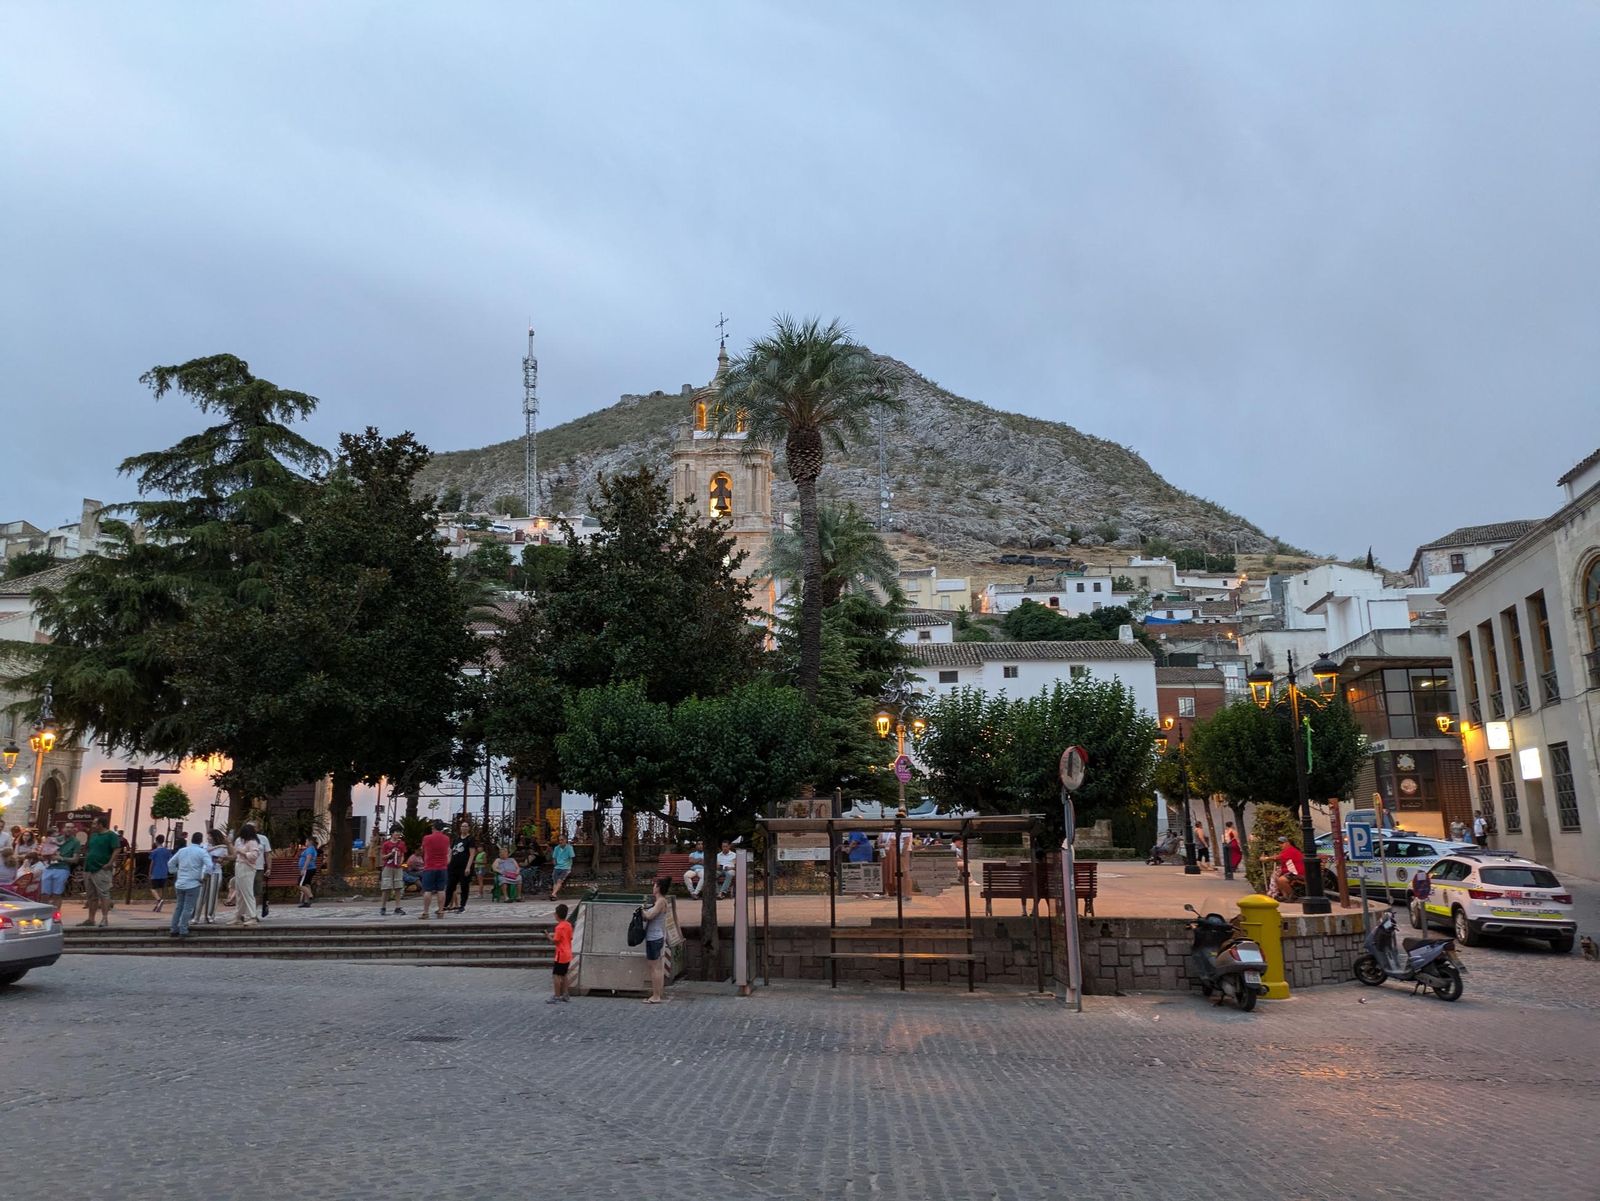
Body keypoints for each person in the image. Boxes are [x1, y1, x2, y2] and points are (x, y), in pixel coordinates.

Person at [167, 832, 212, 939]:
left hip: (180, 883)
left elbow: (170, 863)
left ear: (191, 839)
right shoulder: (202, 852)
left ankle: (173, 929)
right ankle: (183, 929)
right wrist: (205, 877)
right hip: (193, 883)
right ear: (201, 840)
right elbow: (209, 865)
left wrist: (176, 872)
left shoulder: (182, 851)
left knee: (179, 906)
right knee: (188, 907)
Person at [82, 818, 121, 927]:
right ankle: (91, 918)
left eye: (95, 823)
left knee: (103, 893)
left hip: (101, 868)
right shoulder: (93, 836)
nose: (93, 825)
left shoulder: (111, 835)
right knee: (91, 895)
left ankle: (104, 918)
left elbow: (117, 849)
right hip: (89, 868)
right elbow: (89, 850)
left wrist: (110, 863)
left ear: (100, 824)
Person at [639, 876, 671, 1004]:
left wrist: (642, 911)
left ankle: (656, 995)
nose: (653, 888)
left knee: (655, 968)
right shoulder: (660, 901)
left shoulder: (661, 902)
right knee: (656, 967)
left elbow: (650, 916)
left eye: (654, 885)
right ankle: (657, 994)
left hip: (654, 937)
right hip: (655, 936)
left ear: (658, 888)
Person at [40, 822, 81, 905]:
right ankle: (44, 914)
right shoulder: (56, 839)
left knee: (57, 894)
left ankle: (56, 915)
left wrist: (61, 858)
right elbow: (44, 853)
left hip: (62, 868)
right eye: (67, 827)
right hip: (49, 867)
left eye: (71, 828)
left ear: (74, 830)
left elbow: (75, 859)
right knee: (44, 893)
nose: (69, 829)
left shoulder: (76, 842)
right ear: (63, 829)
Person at [231, 823, 263, 925]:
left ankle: (252, 916)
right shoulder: (244, 842)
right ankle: (238, 916)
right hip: (240, 866)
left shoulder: (252, 842)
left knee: (247, 892)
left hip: (247, 868)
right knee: (240, 893)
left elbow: (254, 855)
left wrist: (242, 852)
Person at [418, 820, 450, 920]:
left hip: (430, 866)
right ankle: (440, 911)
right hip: (442, 867)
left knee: (428, 890)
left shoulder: (427, 838)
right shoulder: (446, 839)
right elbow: (448, 851)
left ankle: (426, 912)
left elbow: (423, 850)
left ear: (434, 828)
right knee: (441, 890)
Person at [444, 819, 474, 913]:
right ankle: (444, 905)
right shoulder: (456, 839)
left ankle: (462, 905)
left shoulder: (470, 839)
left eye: (466, 826)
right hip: (453, 866)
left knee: (464, 886)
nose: (464, 828)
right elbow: (451, 851)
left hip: (464, 866)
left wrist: (468, 867)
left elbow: (472, 854)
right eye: (462, 826)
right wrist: (448, 861)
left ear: (469, 828)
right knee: (450, 886)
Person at [547, 902, 573, 1004]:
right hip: (568, 952)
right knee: (564, 974)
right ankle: (565, 994)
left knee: (556, 975)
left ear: (557, 915)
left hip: (560, 954)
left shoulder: (559, 927)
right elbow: (570, 937)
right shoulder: (568, 925)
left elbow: (555, 941)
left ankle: (557, 995)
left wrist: (548, 936)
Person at [378, 824, 407, 916]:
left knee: (398, 887)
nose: (398, 834)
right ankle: (383, 907)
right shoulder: (386, 844)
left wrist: (401, 862)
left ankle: (398, 907)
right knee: (386, 887)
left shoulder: (401, 843)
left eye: (399, 832)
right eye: (396, 832)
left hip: (397, 867)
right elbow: (383, 857)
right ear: (392, 833)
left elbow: (402, 854)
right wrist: (390, 854)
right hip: (388, 866)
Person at [200, 829, 228, 923]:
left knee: (212, 895)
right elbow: (204, 852)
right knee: (200, 894)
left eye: (210, 836)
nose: (208, 838)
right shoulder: (205, 845)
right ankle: (194, 916)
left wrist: (218, 859)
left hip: (215, 872)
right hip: (204, 871)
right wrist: (219, 846)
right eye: (208, 836)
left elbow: (223, 860)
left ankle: (209, 916)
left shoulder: (223, 848)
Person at [148, 834, 172, 911]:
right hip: (164, 872)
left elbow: (152, 863)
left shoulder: (154, 851)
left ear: (156, 841)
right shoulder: (167, 851)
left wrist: (150, 872)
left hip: (156, 872)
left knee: (153, 889)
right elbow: (170, 860)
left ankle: (159, 900)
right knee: (160, 889)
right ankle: (158, 905)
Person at [255, 827, 274, 918]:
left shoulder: (263, 838)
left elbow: (267, 854)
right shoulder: (241, 839)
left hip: (259, 868)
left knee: (257, 891)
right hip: (246, 868)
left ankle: (253, 912)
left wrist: (269, 868)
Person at [549, 832, 574, 900]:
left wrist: (569, 867)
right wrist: (555, 864)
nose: (560, 841)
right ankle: (554, 895)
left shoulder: (569, 848)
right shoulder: (557, 848)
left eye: (562, 840)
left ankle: (553, 894)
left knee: (560, 880)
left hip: (566, 868)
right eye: (559, 840)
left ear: (565, 840)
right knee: (555, 882)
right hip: (557, 867)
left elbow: (571, 858)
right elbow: (554, 858)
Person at [296, 837, 317, 908]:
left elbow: (308, 858)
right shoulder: (310, 849)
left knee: (300, 884)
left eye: (306, 841)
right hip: (310, 869)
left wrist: (304, 869)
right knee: (307, 885)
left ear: (310, 842)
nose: (305, 842)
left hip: (308, 869)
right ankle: (306, 902)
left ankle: (311, 896)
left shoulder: (310, 849)